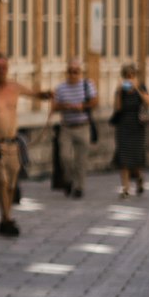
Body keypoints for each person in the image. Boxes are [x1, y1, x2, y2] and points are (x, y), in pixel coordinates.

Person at [0, 53, 48, 236]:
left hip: (12, 144)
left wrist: (46, 95)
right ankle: (6, 219)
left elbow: (34, 94)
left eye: (4, 67)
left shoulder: (14, 87)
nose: (0, 71)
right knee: (2, 181)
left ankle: (7, 214)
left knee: (12, 184)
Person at [48, 59, 99, 198]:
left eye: (75, 72)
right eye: (70, 72)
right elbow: (54, 106)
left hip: (83, 126)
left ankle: (79, 187)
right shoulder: (61, 88)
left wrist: (82, 106)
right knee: (65, 157)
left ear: (80, 72)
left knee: (81, 161)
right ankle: (69, 180)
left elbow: (95, 102)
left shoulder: (87, 85)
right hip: (66, 128)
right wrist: (65, 106)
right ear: (67, 72)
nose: (73, 74)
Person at [111, 64, 149, 196]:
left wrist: (137, 89)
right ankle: (125, 188)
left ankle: (139, 178)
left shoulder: (141, 87)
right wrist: (119, 92)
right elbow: (117, 108)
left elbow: (148, 102)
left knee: (136, 157)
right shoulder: (121, 90)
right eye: (126, 76)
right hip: (123, 125)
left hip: (137, 125)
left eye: (131, 76)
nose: (129, 79)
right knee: (123, 158)